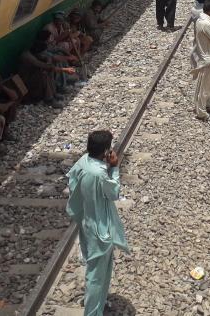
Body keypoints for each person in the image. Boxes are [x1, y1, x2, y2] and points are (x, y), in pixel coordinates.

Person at [66, 130, 129, 316]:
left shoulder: (82, 162)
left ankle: (98, 307)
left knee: (99, 271)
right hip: (101, 231)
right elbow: (114, 193)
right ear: (105, 151)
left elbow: (72, 186)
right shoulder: (100, 174)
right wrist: (114, 168)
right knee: (96, 276)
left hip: (87, 222)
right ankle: (92, 312)